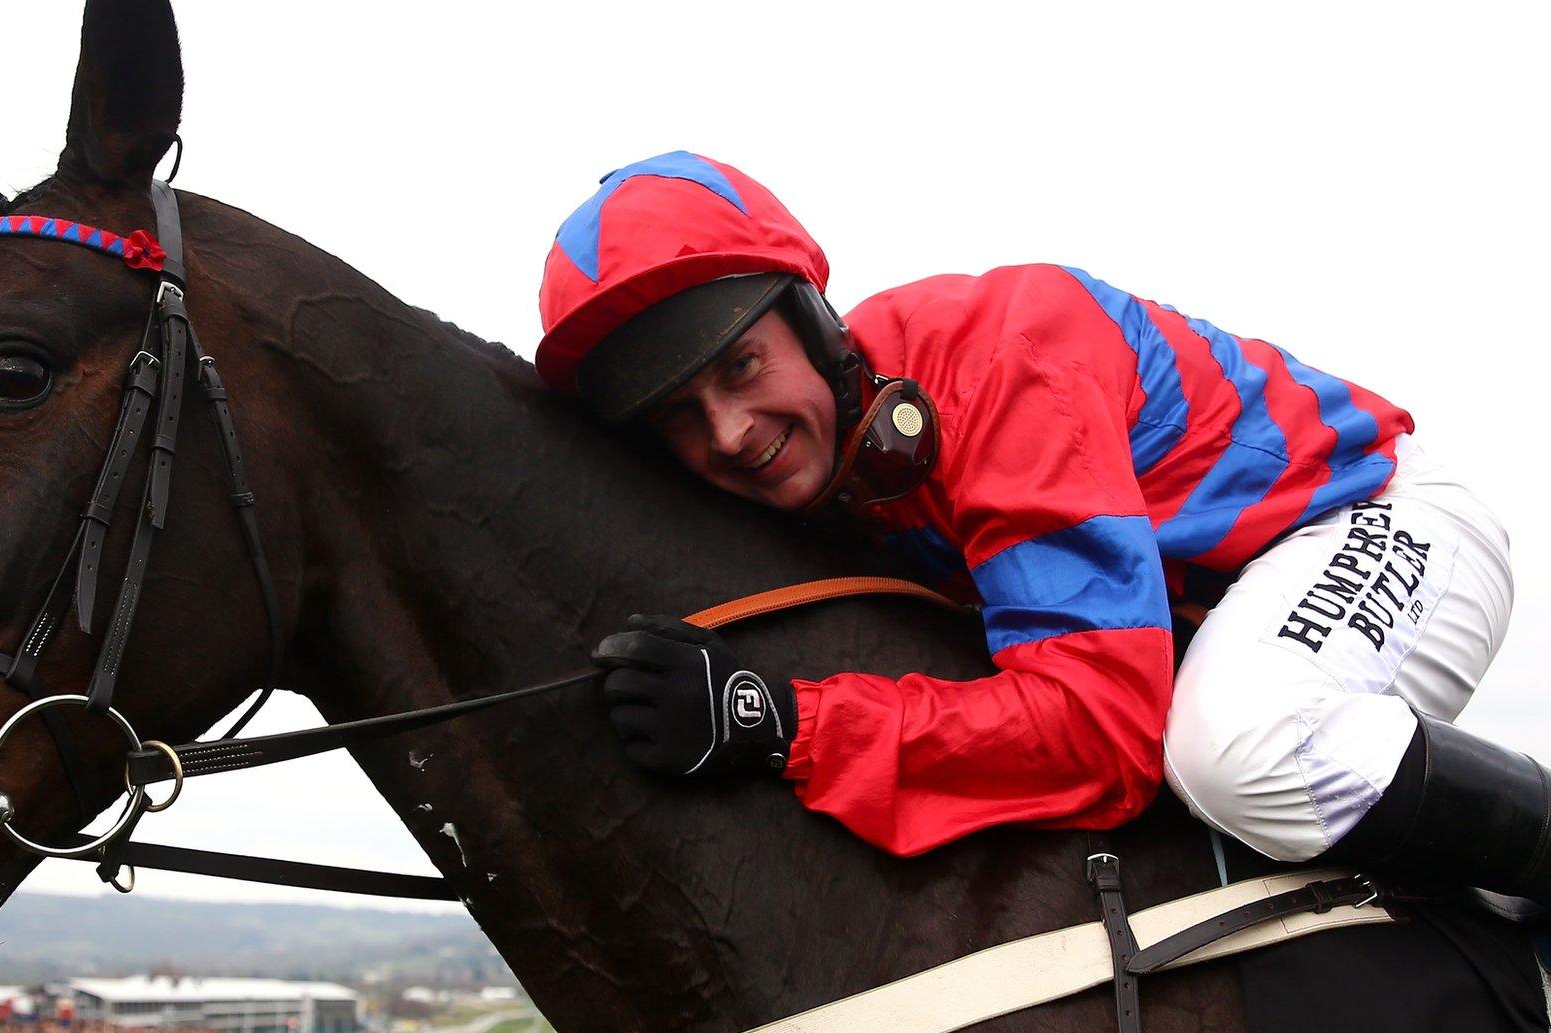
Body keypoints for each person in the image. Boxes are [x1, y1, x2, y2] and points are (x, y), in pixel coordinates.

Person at [538, 150, 1547, 903]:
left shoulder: (999, 364)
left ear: (809, 320)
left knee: (1232, 750)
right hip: (1213, 608)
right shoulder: (828, 467)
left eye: (740, 367)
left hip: (1371, 520)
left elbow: (1101, 729)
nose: (728, 432)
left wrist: (787, 725)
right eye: (679, 413)